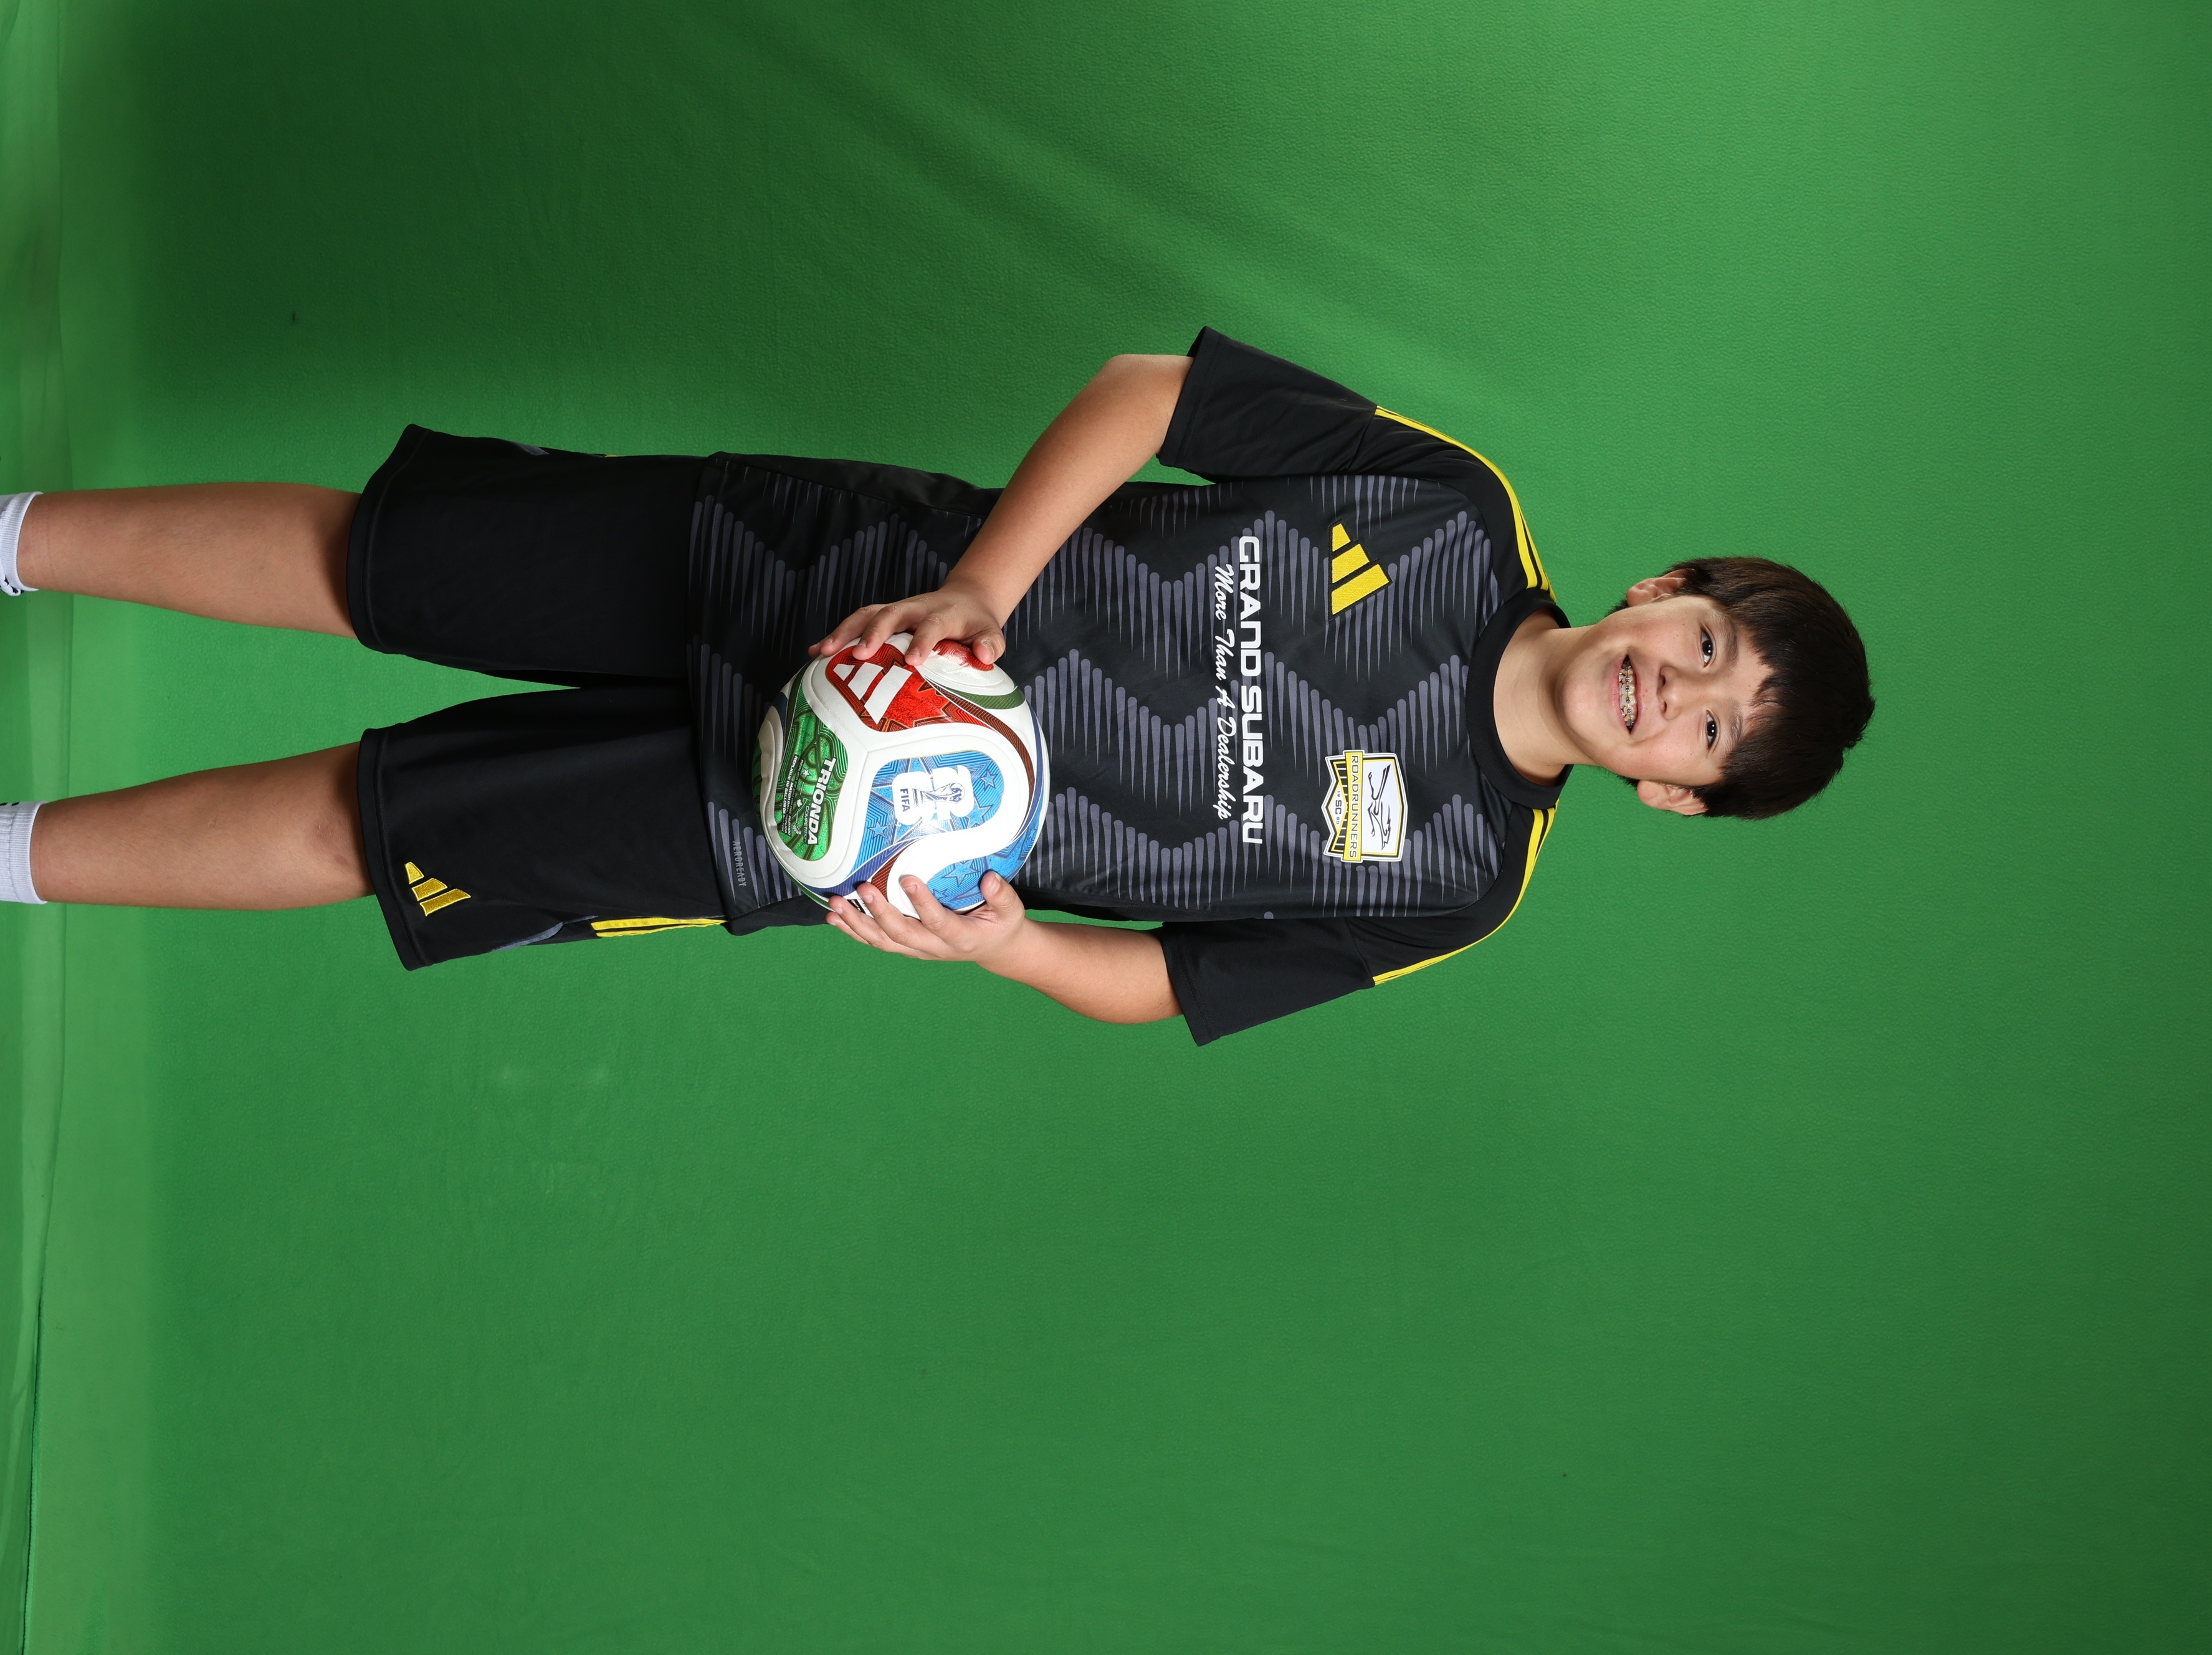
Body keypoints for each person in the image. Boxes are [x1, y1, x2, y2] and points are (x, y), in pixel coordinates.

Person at [0, 331, 1874, 1042]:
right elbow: (1152, 391)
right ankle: (12, 536)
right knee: (382, 564)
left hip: (810, 822)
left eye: (1713, 732)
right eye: (1707, 644)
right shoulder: (1453, 511)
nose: (1675, 691)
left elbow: (1173, 983)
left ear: (1676, 795)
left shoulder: (1459, 883)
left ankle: (9, 858)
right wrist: (979, 583)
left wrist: (1009, 948)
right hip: (830, 567)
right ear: (1668, 589)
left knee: (377, 833)